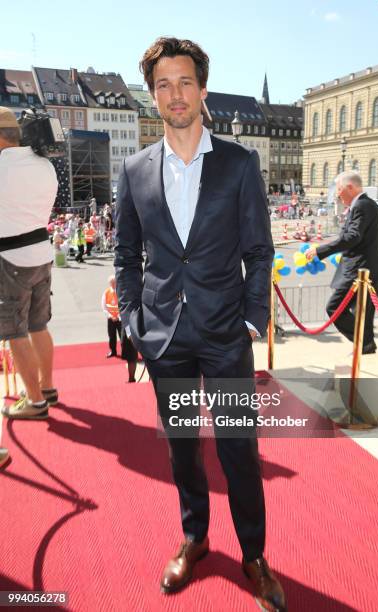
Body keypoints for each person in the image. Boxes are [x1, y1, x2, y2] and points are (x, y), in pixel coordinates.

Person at [114, 38, 285, 611]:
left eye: (185, 82)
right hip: (165, 338)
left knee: (239, 451)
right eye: (163, 85)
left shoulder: (239, 163)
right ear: (153, 95)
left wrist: (254, 320)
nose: (175, 94)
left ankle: (255, 555)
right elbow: (125, 254)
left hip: (224, 335)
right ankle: (195, 537)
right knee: (183, 450)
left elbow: (259, 250)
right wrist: (136, 322)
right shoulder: (135, 170)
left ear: (203, 90)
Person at [0, 106, 59, 419]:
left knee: (14, 332)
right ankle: (47, 386)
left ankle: (35, 402)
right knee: (39, 325)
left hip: (10, 259)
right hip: (41, 253)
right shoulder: (43, 164)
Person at [305, 171, 378, 354]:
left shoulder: (361, 206)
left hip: (359, 272)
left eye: (339, 189)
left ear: (350, 187)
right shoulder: (370, 205)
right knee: (363, 313)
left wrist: (320, 251)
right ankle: (366, 346)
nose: (338, 194)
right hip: (370, 269)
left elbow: (352, 237)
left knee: (335, 308)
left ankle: (364, 341)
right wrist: (373, 256)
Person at [101, 275, 121, 358]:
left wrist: (118, 316)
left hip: (120, 319)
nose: (113, 284)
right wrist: (110, 316)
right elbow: (103, 306)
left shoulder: (121, 292)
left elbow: (124, 306)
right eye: (111, 282)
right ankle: (113, 351)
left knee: (123, 337)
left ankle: (126, 352)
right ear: (109, 283)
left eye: (114, 282)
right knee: (111, 336)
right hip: (111, 319)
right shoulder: (106, 292)